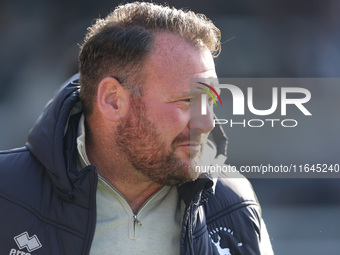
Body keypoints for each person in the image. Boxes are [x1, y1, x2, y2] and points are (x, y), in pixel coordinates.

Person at [0, 2, 273, 254]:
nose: (208, 123)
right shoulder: (7, 194)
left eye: (210, 100)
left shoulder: (233, 202)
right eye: (186, 101)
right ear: (113, 100)